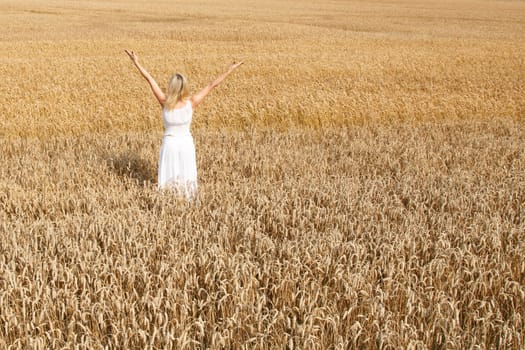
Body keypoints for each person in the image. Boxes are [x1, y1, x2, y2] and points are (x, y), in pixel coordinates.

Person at [124, 50, 243, 200]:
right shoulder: (191, 103)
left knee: (169, 174)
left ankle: (167, 200)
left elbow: (149, 79)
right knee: (186, 174)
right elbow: (212, 85)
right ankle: (188, 201)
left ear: (171, 87)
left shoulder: (164, 102)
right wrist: (230, 70)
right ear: (184, 87)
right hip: (186, 143)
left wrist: (136, 62)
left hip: (170, 144)